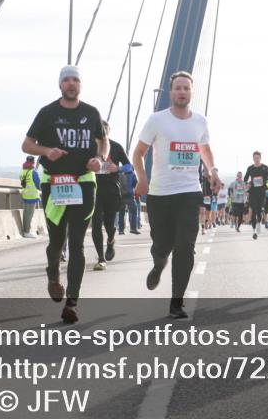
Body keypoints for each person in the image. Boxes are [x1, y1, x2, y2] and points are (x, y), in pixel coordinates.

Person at [23, 65, 107, 324]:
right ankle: (53, 275)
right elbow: (27, 144)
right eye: (67, 80)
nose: (71, 84)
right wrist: (46, 152)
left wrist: (99, 159)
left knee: (77, 243)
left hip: (83, 184)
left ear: (80, 85)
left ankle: (72, 302)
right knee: (57, 241)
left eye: (75, 80)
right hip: (54, 184)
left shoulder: (91, 113)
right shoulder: (47, 113)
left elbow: (103, 141)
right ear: (60, 85)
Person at [134, 71, 220, 319]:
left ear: (192, 92)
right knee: (161, 246)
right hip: (160, 194)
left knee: (185, 246)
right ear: (171, 92)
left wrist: (213, 171)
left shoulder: (200, 121)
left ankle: (176, 302)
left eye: (186, 88)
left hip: (189, 193)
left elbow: (205, 149)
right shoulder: (157, 120)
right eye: (178, 88)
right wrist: (142, 178)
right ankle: (159, 263)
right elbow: (138, 153)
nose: (182, 91)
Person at [91, 121, 131, 269]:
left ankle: (111, 240)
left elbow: (129, 167)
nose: (103, 132)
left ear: (109, 131)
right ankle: (101, 258)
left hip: (112, 190)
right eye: (100, 129)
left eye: (105, 129)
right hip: (93, 190)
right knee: (96, 224)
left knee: (109, 224)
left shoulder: (116, 146)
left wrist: (118, 168)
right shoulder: (89, 146)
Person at [243, 152, 268, 239]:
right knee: (253, 211)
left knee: (259, 211)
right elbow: (245, 179)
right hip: (252, 192)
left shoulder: (265, 167)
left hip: (262, 192)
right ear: (253, 158)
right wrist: (247, 185)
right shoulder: (250, 168)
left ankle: (259, 223)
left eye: (258, 158)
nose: (256, 159)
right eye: (255, 158)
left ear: (260, 158)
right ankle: (254, 231)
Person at [20, 156, 41, 239]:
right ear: (33, 162)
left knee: (25, 214)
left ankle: (25, 231)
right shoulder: (33, 172)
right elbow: (38, 185)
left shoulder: (23, 172)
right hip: (32, 196)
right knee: (29, 215)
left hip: (25, 195)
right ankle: (27, 232)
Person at [117, 165, 142, 235]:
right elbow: (135, 184)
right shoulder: (132, 173)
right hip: (130, 195)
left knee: (121, 213)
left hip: (121, 196)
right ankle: (133, 228)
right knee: (134, 211)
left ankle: (121, 230)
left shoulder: (118, 173)